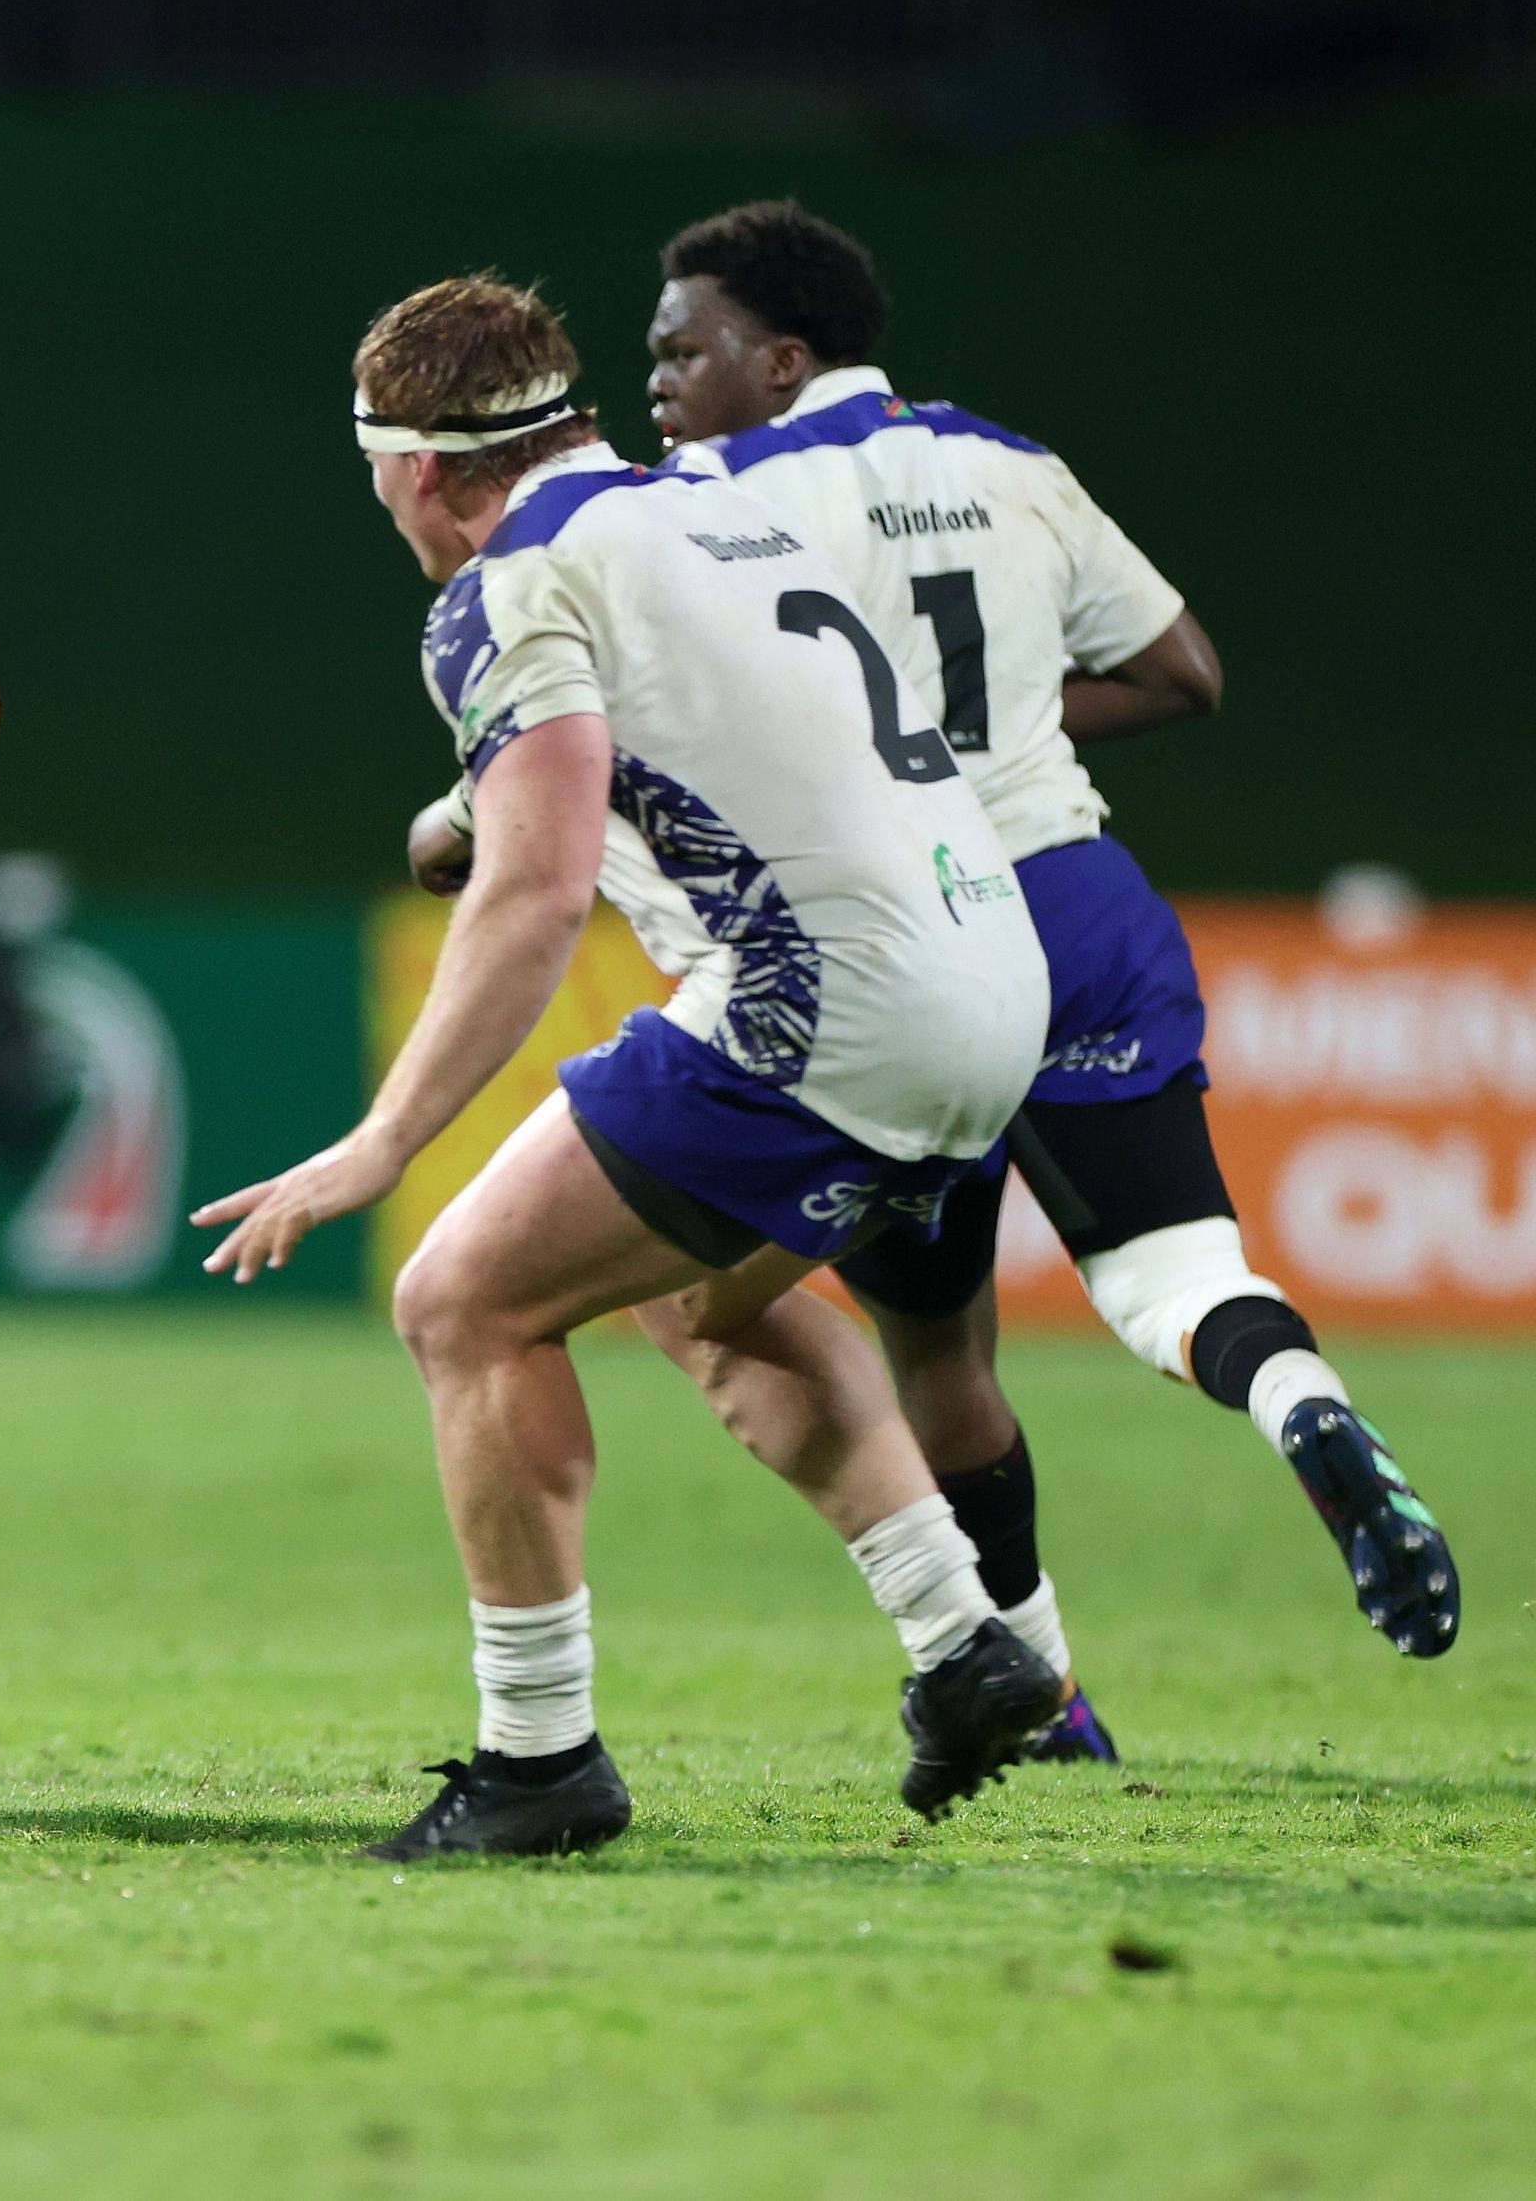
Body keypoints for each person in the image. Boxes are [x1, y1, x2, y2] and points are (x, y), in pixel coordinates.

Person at [199, 274, 1068, 1862]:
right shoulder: (718, 506)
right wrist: (475, 807)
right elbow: (731, 713)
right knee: (696, 1298)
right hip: (994, 971)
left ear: (414, 465)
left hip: (828, 997)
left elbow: (535, 898)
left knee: (461, 1301)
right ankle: (968, 1643)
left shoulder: (503, 587)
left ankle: (539, 1762)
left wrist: (382, 1143)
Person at [636, 200, 1456, 1708]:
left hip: (896, 947)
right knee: (1175, 1278)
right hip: (1077, 902)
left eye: (686, 349)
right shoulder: (1013, 466)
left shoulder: (710, 498)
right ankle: (1303, 1404)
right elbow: (1185, 673)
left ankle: (1046, 1691)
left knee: (931, 1352)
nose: (662, 383)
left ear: (783, 355)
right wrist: (997, 720)